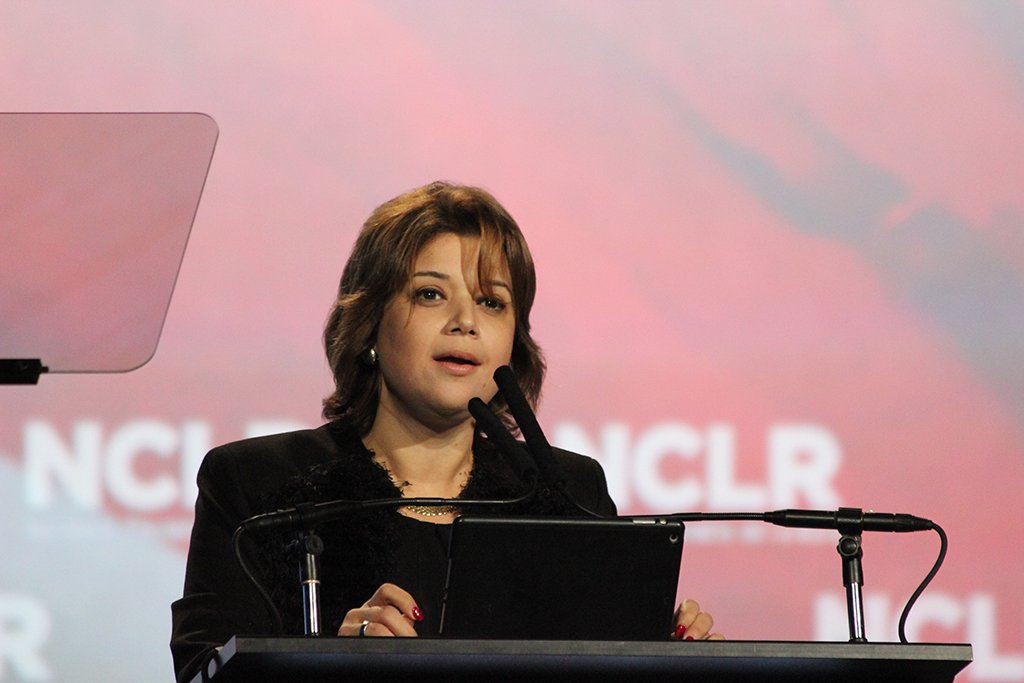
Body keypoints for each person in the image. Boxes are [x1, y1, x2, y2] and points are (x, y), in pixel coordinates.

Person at [169, 181, 721, 683]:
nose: (466, 321)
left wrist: (672, 665)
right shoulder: (255, 485)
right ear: (370, 326)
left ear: (514, 342)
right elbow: (203, 674)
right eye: (430, 294)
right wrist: (329, 669)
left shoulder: (567, 493)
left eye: (492, 302)